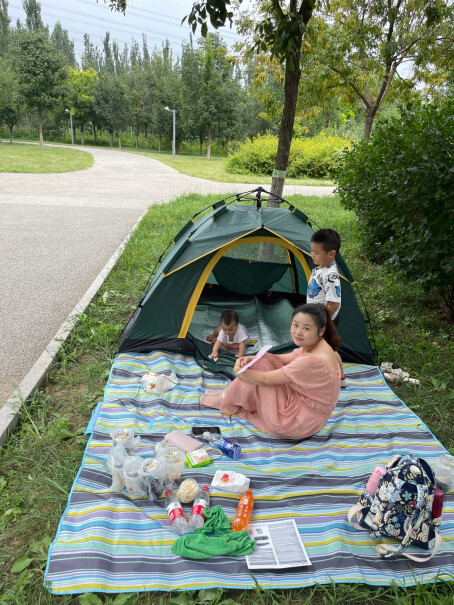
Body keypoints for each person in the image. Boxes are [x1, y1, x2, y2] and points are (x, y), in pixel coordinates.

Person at [200, 304, 341, 440]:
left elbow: (265, 379)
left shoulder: (312, 361)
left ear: (321, 330)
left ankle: (226, 399)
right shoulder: (319, 344)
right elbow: (285, 357)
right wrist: (251, 358)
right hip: (309, 412)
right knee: (264, 360)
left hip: (297, 421)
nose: (298, 332)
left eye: (306, 328)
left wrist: (240, 371)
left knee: (256, 371)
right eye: (295, 325)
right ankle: (228, 394)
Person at [307, 228, 347, 387]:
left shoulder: (330, 274)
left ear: (331, 254)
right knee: (324, 348)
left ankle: (340, 378)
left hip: (325, 319)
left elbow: (334, 303)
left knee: (327, 349)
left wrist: (321, 322)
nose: (312, 255)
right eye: (312, 251)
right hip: (317, 317)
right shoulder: (320, 268)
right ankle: (338, 377)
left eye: (316, 252)